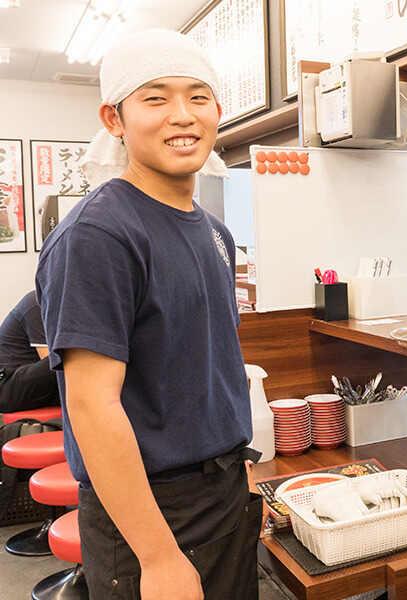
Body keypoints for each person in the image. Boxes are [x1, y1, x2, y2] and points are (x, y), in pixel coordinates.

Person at [35, 30, 260, 600]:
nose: (181, 116)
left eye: (198, 97)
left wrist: (238, 469)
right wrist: (158, 557)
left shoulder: (215, 232)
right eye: (155, 99)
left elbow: (207, 363)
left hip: (223, 494)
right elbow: (91, 405)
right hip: (151, 513)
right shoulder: (100, 233)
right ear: (115, 118)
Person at [0, 291, 59, 413]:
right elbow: (53, 365)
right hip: (7, 387)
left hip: (34, 388)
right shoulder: (36, 304)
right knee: (64, 357)